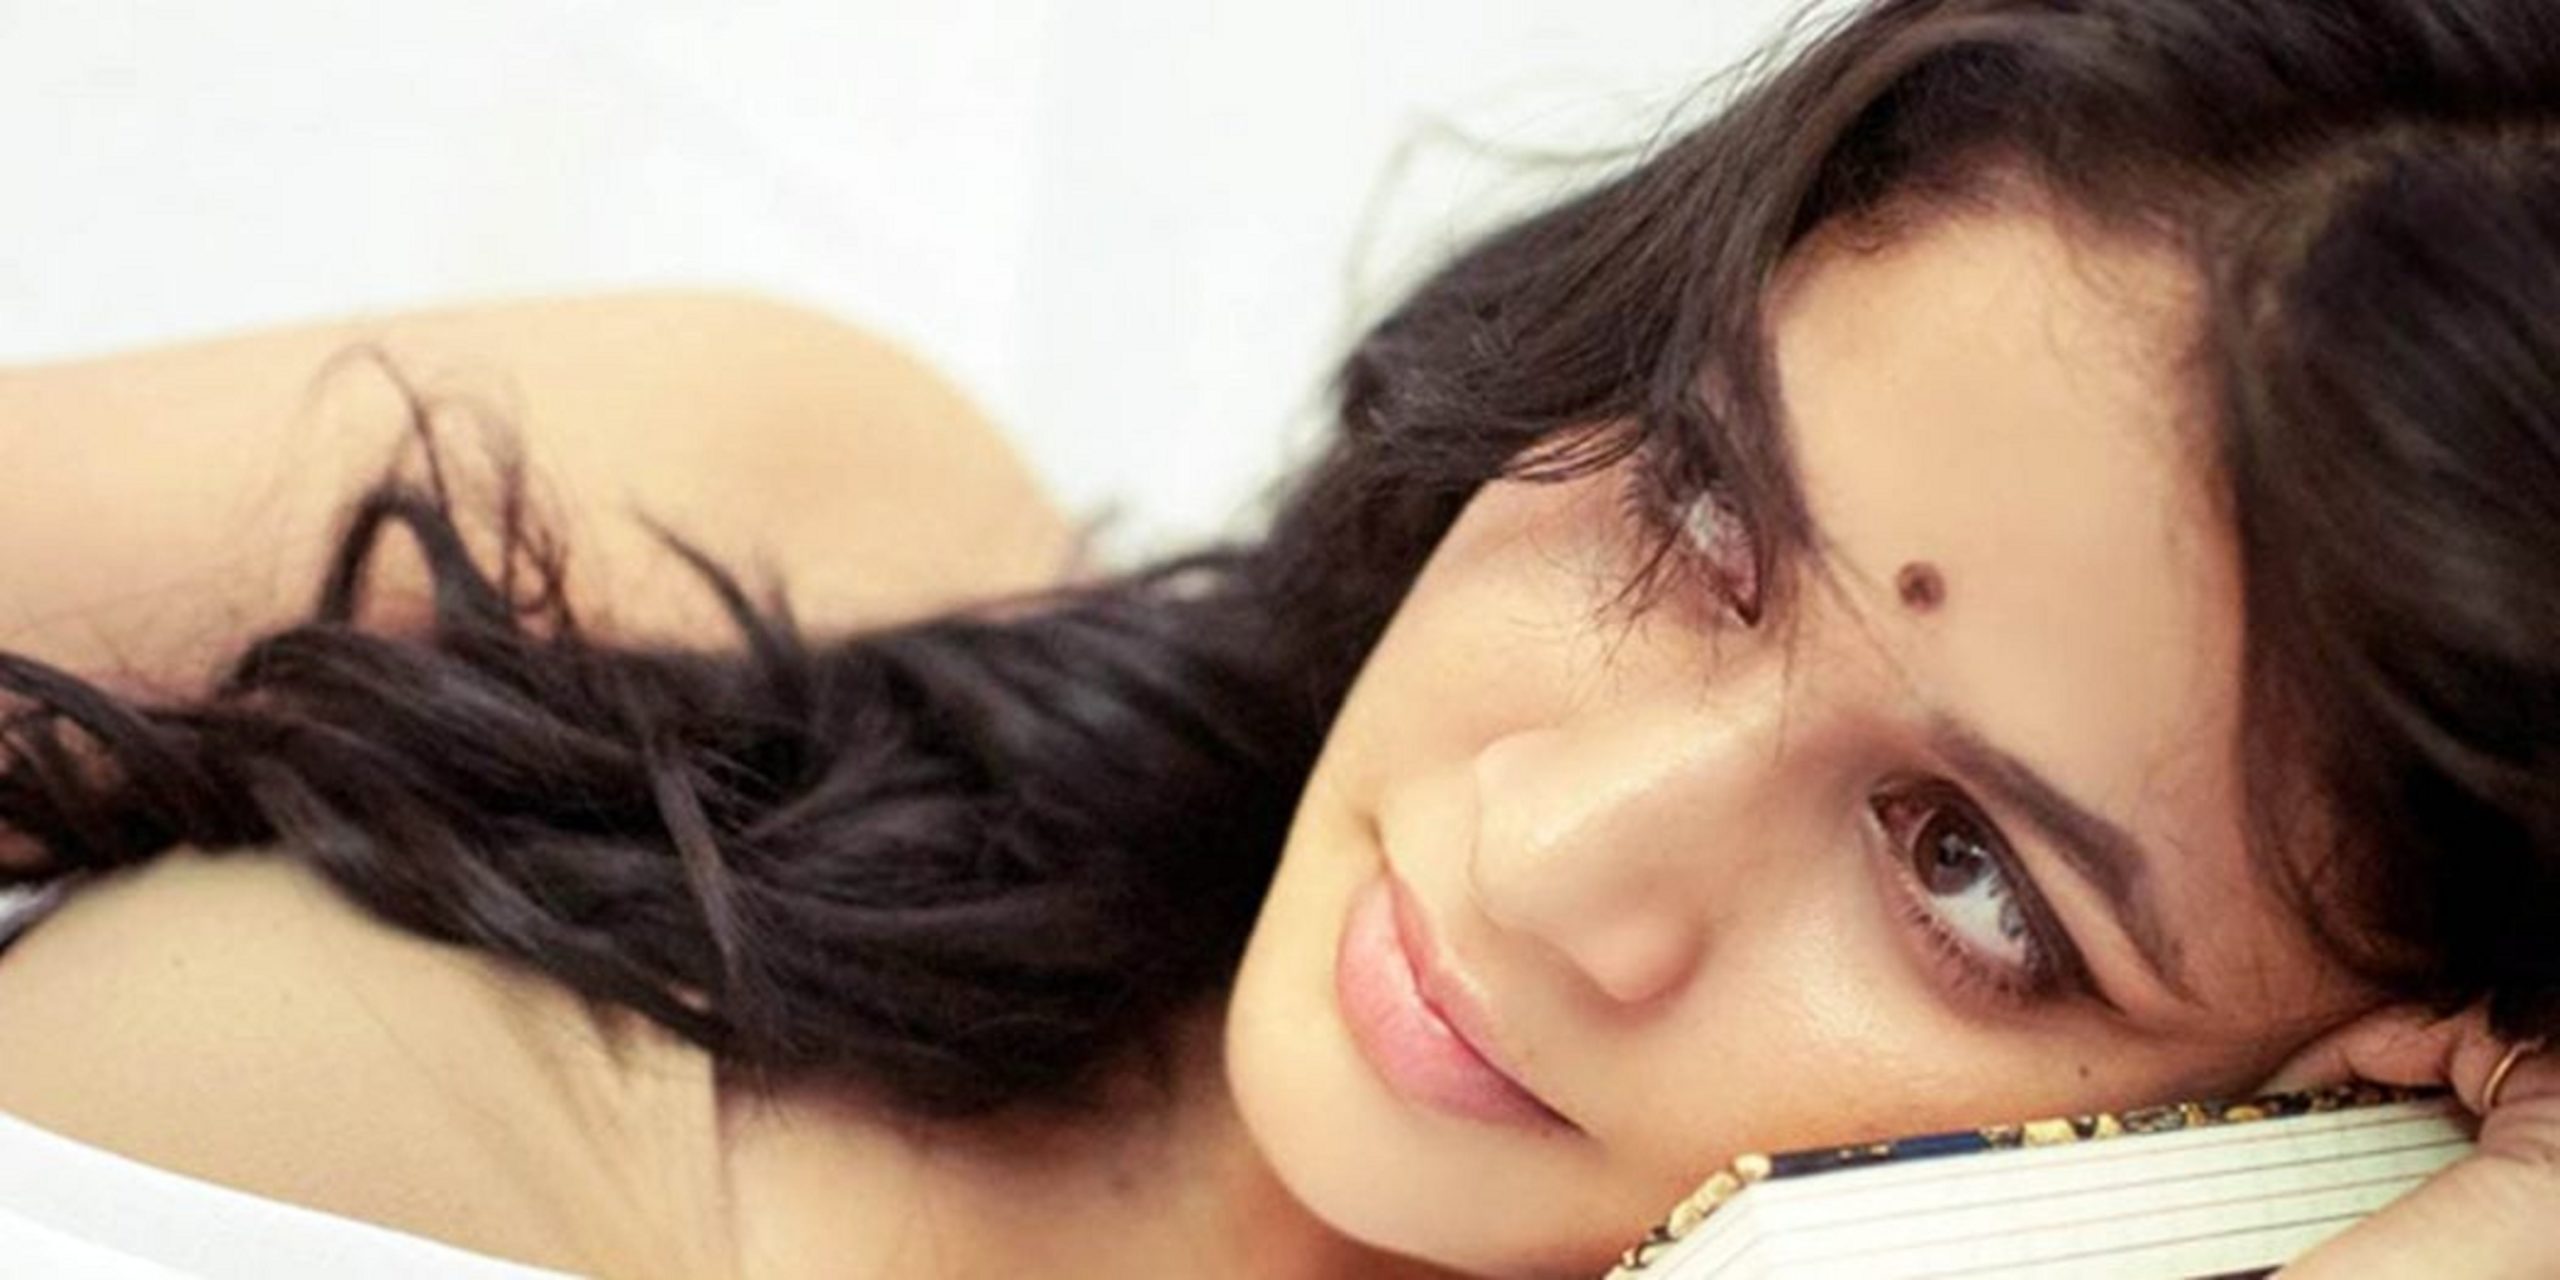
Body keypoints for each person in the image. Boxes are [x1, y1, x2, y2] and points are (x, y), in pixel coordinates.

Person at [0, 0, 2556, 1275]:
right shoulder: (773, 496)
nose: (1546, 851)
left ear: (2330, 1108)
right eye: (1698, 505)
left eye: (1963, 873)